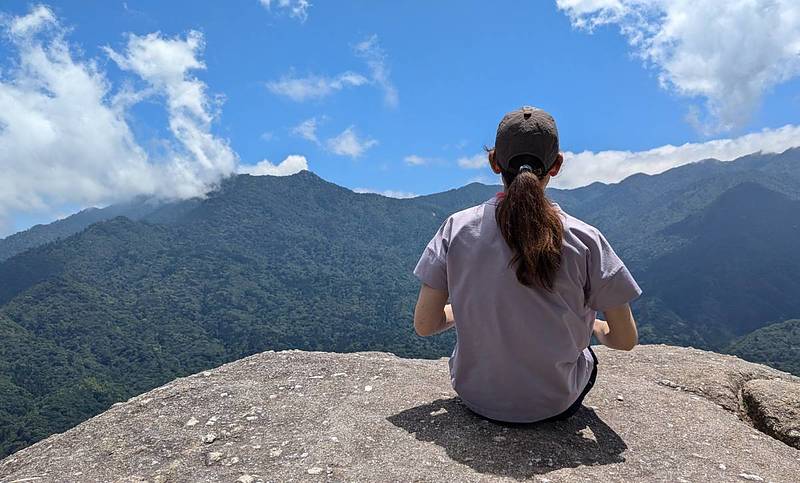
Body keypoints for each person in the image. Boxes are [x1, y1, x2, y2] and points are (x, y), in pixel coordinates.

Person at [412, 106, 642, 424]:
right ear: (556, 165)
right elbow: (625, 340)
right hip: (555, 402)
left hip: (475, 396)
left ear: (494, 162)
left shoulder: (456, 228)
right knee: (586, 356)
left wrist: (466, 307)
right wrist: (596, 327)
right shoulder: (586, 239)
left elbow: (426, 324)